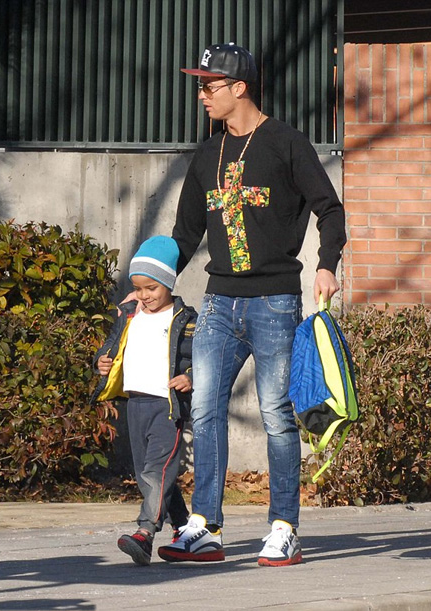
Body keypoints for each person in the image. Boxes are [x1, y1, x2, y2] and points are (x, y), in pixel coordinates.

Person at [157, 43, 346, 567]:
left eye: (209, 86)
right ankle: (205, 526)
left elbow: (329, 209)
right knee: (205, 409)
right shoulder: (207, 154)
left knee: (276, 416)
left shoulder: (286, 143)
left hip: (275, 303)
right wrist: (153, 279)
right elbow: (185, 232)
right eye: (199, 85)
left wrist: (327, 263)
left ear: (239, 88)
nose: (201, 96)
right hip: (219, 304)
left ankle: (284, 528)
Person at [92, 235, 197, 566]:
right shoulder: (128, 315)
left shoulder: (186, 319)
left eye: (151, 287)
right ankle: (185, 529)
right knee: (149, 474)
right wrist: (102, 360)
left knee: (156, 470)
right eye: (138, 287)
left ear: (168, 282)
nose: (144, 295)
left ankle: (144, 534)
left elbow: (205, 357)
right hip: (135, 405)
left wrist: (191, 376)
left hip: (167, 407)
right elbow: (111, 345)